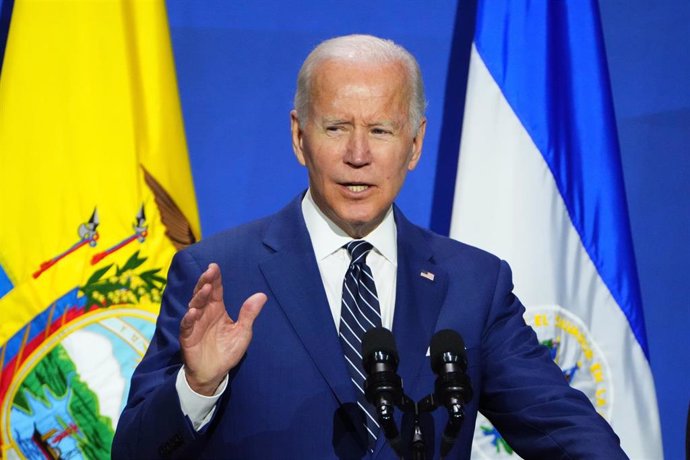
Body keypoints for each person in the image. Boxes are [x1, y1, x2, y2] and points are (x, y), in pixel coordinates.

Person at [112, 34, 627, 459]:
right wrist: (197, 389)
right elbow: (133, 454)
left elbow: (565, 432)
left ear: (415, 144)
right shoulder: (219, 272)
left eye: (381, 130)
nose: (358, 155)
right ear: (299, 136)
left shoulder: (473, 284)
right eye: (337, 128)